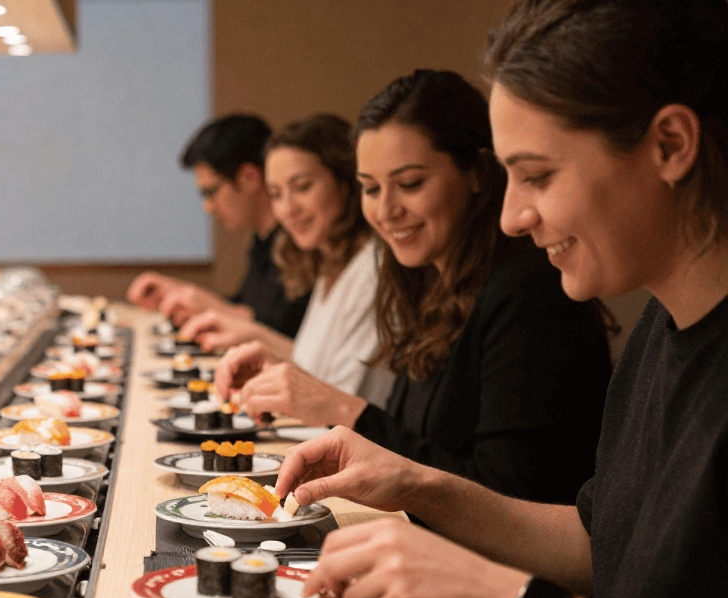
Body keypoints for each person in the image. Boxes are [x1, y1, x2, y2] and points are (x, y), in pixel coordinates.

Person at [278, 2, 728, 598]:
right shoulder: (660, 333)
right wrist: (419, 485)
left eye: (539, 175)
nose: (514, 217)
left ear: (669, 145)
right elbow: (598, 539)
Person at [232, 70, 612, 505]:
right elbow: (413, 445)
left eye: (410, 184)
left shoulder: (530, 295)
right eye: (371, 189)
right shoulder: (426, 282)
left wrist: (344, 412)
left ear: (476, 173)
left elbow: (509, 498)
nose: (387, 210)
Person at [178, 114, 394, 405]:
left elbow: (344, 400)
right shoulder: (328, 262)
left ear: (346, 182)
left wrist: (257, 339)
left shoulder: (372, 269)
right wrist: (263, 348)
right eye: (277, 194)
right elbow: (314, 368)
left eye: (303, 187)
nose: (288, 209)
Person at [127, 114, 311, 338]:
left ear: (250, 178)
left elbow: (278, 332)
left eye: (210, 192)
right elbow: (247, 309)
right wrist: (176, 291)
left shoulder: (302, 242)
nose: (208, 207)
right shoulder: (263, 240)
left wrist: (203, 302)